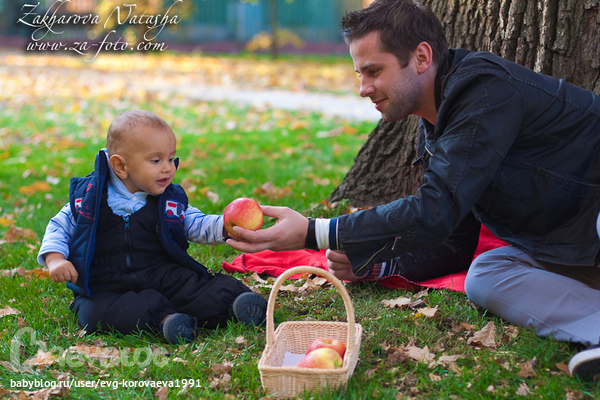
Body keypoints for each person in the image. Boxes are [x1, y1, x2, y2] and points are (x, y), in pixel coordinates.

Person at [227, 0, 600, 381]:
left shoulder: (483, 90)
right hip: (578, 249)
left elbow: (434, 209)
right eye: (359, 74)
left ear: (421, 56)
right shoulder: (436, 127)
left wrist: (313, 231)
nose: (363, 88)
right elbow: (454, 237)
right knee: (486, 274)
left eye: (374, 71)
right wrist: (376, 264)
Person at [38, 110, 267, 345]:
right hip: (107, 284)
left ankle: (233, 303)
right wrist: (55, 258)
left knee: (194, 287)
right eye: (156, 161)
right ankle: (165, 320)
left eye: (171, 158)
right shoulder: (88, 199)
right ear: (120, 166)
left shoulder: (167, 200)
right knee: (94, 312)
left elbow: (195, 222)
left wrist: (225, 226)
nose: (168, 168)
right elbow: (58, 227)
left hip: (162, 273)